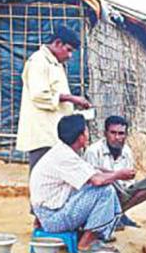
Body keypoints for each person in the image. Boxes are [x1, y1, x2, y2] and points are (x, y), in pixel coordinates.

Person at [29, 114, 134, 253]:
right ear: (80, 137)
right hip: (52, 219)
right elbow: (97, 180)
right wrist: (118, 175)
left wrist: (114, 174)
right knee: (105, 190)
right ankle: (86, 243)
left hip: (46, 214)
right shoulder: (65, 156)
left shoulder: (63, 151)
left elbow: (91, 171)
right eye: (86, 131)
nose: (88, 134)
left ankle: (94, 233)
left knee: (98, 185)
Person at [16, 25, 91, 171]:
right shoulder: (38, 61)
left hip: (55, 133)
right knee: (41, 176)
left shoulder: (55, 63)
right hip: (42, 134)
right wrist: (72, 99)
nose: (70, 56)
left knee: (55, 177)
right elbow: (39, 95)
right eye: (68, 50)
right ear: (57, 43)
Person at [84, 115, 146, 229]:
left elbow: (128, 181)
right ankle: (107, 218)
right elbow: (92, 180)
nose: (117, 137)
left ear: (126, 135)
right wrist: (115, 175)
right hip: (101, 194)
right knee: (108, 182)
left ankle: (118, 214)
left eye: (121, 133)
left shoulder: (127, 151)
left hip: (122, 191)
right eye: (113, 133)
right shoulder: (93, 151)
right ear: (105, 133)